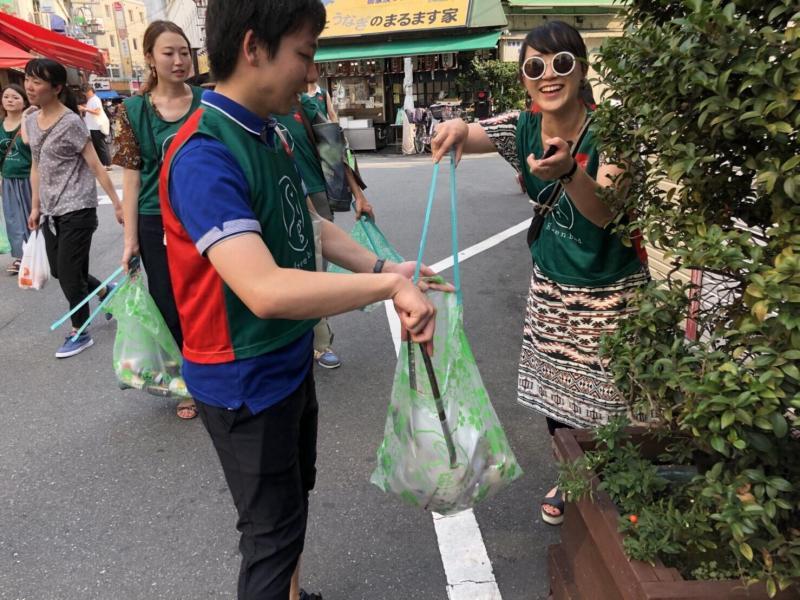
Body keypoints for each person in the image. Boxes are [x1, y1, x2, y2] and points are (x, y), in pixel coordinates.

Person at [162, 1, 442, 597]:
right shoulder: (205, 154)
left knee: (291, 506)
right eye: (306, 54)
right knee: (269, 537)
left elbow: (309, 227)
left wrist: (385, 264)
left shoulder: (273, 133)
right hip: (243, 377)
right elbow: (263, 289)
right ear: (253, 47)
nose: (312, 74)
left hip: (287, 362)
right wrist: (388, 287)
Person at [432, 20, 649, 527]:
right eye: (535, 67)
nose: (548, 75)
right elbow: (476, 132)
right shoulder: (525, 124)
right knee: (558, 398)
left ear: (582, 69)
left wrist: (572, 172)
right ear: (525, 78)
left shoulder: (612, 130)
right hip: (552, 288)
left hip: (611, 290)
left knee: (614, 401)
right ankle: (571, 476)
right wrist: (456, 128)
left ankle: (614, 482)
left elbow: (607, 211)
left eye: (561, 63)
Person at [115, 20, 203, 420]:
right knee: (169, 301)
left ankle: (216, 370)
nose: (179, 60)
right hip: (156, 220)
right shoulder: (131, 111)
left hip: (206, 214)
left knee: (212, 296)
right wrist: (130, 239)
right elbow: (132, 177)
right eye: (168, 53)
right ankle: (186, 382)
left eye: (184, 52)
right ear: (149, 58)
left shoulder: (208, 101)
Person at [22, 58, 124, 358]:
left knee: (67, 273)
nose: (29, 85)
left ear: (56, 88)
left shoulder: (71, 122)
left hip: (79, 207)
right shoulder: (31, 120)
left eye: (37, 81)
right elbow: (36, 165)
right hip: (51, 210)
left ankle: (79, 331)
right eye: (28, 78)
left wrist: (117, 204)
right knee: (61, 270)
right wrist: (35, 206)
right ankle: (107, 292)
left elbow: (95, 165)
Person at [274, 99, 375, 370]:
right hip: (275, 198)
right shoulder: (249, 107)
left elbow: (334, 149)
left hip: (315, 196)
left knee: (315, 271)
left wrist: (358, 194)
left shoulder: (302, 104)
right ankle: (292, 341)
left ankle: (320, 343)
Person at [0, 84, 33, 275]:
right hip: (8, 179)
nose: (10, 100)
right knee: (13, 218)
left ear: (24, 101)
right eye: (6, 97)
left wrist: (27, 118)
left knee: (31, 216)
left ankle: (35, 253)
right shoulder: (0, 126)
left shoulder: (30, 122)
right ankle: (21, 256)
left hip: (28, 177)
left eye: (15, 97)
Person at [79, 84, 111, 170]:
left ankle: (106, 164)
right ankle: (103, 164)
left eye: (85, 92)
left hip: (97, 126)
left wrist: (85, 109)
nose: (85, 94)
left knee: (100, 146)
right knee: (97, 146)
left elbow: (97, 112)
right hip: (93, 126)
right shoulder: (90, 100)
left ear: (89, 91)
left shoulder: (95, 99)